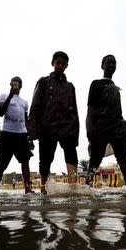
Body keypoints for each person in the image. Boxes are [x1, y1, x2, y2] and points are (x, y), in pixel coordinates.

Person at [28, 51, 79, 195]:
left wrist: (76, 131)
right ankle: (43, 189)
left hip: (68, 127)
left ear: (67, 66)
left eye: (63, 63)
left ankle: (73, 189)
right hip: (47, 127)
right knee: (45, 160)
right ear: (53, 63)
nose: (60, 65)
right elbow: (35, 107)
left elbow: (74, 109)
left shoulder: (70, 87)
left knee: (71, 156)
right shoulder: (43, 82)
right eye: (58, 63)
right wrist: (32, 132)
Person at [85, 55, 126, 190]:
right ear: (102, 66)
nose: (111, 65)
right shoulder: (96, 84)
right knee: (95, 159)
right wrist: (89, 128)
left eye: (114, 63)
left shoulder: (115, 86)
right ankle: (87, 187)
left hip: (118, 127)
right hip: (101, 127)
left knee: (123, 157)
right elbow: (91, 108)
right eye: (108, 63)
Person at [0, 76, 34, 194]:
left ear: (21, 85)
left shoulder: (24, 102)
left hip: (22, 134)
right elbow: (0, 113)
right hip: (7, 133)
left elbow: (26, 121)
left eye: (18, 83)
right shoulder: (4, 96)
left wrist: (30, 137)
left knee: (25, 160)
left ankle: (28, 188)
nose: (16, 85)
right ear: (10, 84)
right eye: (14, 83)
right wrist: (10, 95)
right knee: (2, 162)